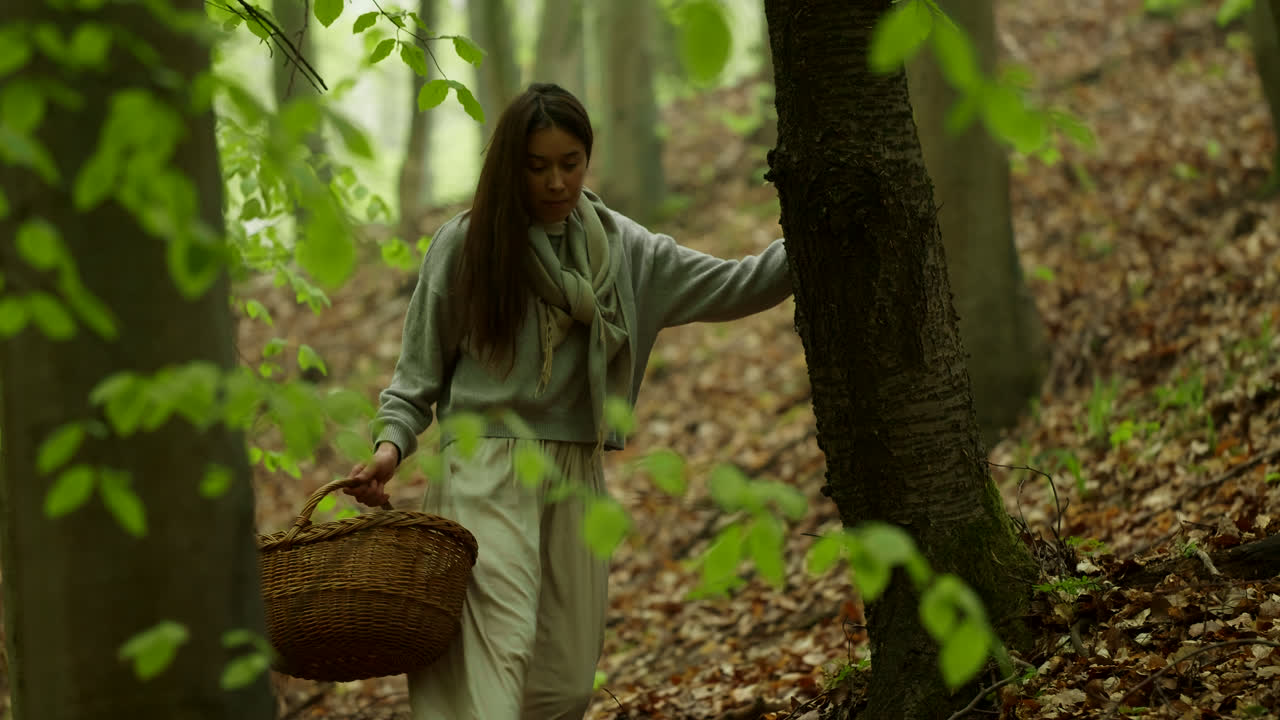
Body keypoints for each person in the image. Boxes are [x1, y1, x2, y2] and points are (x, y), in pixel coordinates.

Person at [344, 82, 791, 720]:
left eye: (570, 163)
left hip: (577, 475)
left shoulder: (625, 249)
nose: (556, 182)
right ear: (509, 166)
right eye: (537, 166)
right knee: (491, 671)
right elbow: (416, 375)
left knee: (562, 686)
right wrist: (390, 448)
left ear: (588, 158)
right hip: (484, 472)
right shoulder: (467, 244)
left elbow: (734, 284)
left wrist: (817, 232)